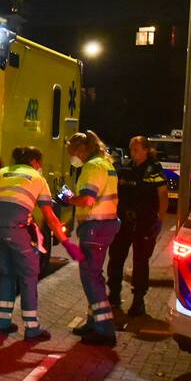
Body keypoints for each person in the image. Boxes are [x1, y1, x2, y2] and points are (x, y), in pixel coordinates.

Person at [0, 146, 85, 342]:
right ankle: (32, 328)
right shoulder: (38, 179)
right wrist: (67, 244)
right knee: (29, 274)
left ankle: (2, 323)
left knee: (7, 273)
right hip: (17, 229)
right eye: (40, 163)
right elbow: (50, 216)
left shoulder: (1, 173)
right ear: (35, 162)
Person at [67, 131, 121, 346]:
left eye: (73, 151)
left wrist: (68, 199)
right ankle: (93, 321)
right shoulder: (105, 164)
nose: (73, 156)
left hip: (95, 227)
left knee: (91, 277)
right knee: (94, 275)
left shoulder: (93, 166)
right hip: (104, 226)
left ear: (83, 149)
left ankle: (104, 329)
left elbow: (88, 198)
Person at [106, 136, 168, 319]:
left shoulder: (153, 169)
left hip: (144, 222)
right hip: (123, 221)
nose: (133, 152)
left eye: (137, 149)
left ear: (146, 150)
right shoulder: (126, 168)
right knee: (115, 257)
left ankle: (138, 301)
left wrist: (159, 220)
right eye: (131, 149)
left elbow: (163, 196)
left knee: (140, 262)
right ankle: (114, 295)